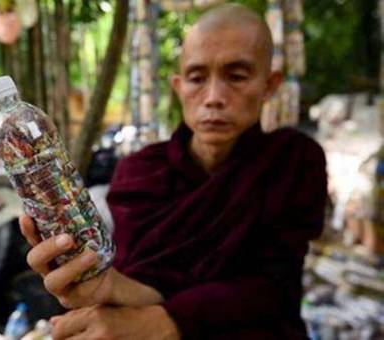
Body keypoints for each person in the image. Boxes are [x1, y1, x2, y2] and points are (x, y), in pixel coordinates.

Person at [19, 3, 327, 339]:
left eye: (236, 76)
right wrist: (108, 286)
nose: (213, 97)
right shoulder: (140, 173)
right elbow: (151, 288)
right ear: (178, 87)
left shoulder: (292, 161)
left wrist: (166, 321)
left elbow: (270, 290)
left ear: (269, 85)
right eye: (197, 78)